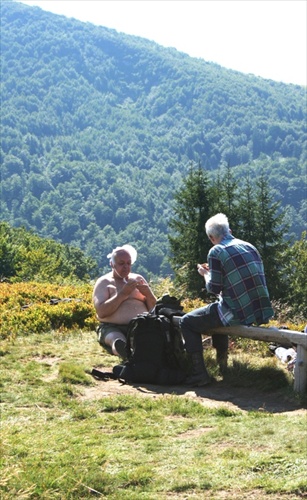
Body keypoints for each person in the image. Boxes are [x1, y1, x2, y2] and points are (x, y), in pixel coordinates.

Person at [180, 213, 274, 386]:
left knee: (187, 322)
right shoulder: (248, 246)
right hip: (257, 309)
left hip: (237, 313)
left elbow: (214, 288)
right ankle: (223, 366)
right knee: (215, 312)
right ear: (229, 230)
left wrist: (205, 274)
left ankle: (199, 374)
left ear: (211, 237)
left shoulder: (216, 251)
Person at [93, 244, 157, 359]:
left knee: (145, 339)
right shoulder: (104, 282)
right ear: (112, 264)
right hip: (112, 326)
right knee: (115, 338)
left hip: (140, 325)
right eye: (121, 263)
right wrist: (123, 294)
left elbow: (154, 309)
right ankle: (122, 350)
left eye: (128, 263)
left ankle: (138, 352)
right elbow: (101, 312)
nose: (125, 267)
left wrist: (149, 294)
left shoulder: (138, 279)